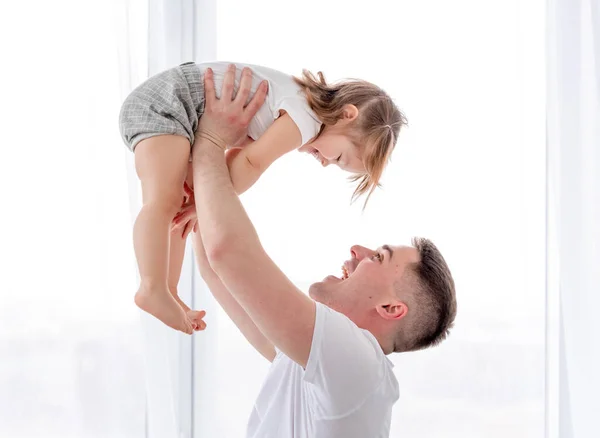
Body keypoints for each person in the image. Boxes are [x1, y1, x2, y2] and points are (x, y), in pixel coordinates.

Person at [187, 66, 457, 438]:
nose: (358, 249)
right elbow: (216, 268)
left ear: (391, 308)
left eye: (378, 257)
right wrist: (210, 158)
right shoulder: (320, 364)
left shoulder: (357, 363)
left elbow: (228, 253)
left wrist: (210, 140)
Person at [118, 61, 407, 334]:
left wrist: (201, 202)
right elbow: (251, 164)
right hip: (168, 103)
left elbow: (234, 157)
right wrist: (205, 203)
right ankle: (152, 287)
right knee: (163, 200)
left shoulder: (292, 105)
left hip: (177, 109)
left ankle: (168, 291)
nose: (324, 162)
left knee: (177, 208)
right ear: (347, 114)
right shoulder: (305, 119)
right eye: (338, 157)